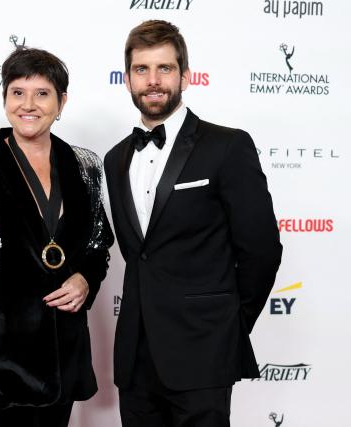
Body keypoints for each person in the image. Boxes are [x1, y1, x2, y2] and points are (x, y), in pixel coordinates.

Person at [104, 20, 283, 427]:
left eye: (164, 68)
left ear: (185, 76)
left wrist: (226, 327)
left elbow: (261, 250)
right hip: (135, 356)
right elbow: (139, 254)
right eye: (141, 70)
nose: (152, 81)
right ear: (128, 79)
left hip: (203, 352)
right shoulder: (115, 159)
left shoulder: (226, 145)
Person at [0, 47, 114, 427]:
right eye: (17, 92)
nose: (28, 104)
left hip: (64, 356)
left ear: (61, 101)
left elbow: (99, 246)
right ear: (4, 99)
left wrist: (86, 278)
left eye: (42, 93)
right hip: (0, 361)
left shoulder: (85, 166)